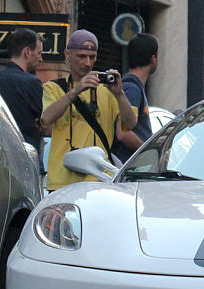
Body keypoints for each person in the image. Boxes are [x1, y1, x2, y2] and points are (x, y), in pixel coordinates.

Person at [40, 29, 137, 191]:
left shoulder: (107, 90)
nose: (87, 63)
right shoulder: (54, 88)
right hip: (62, 181)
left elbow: (131, 123)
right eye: (81, 56)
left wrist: (119, 94)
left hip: (99, 179)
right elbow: (46, 120)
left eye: (92, 57)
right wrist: (75, 91)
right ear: (68, 55)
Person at [0, 28, 44, 171]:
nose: (41, 58)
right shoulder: (32, 83)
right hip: (26, 157)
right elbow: (46, 120)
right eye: (39, 53)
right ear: (27, 52)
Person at [113, 32, 159, 163]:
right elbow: (123, 133)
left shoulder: (130, 87)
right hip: (126, 166)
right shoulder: (132, 89)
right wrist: (149, 153)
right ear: (153, 58)